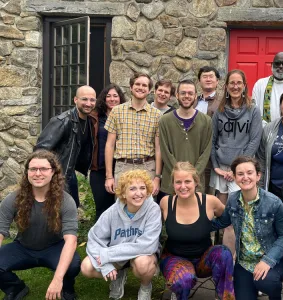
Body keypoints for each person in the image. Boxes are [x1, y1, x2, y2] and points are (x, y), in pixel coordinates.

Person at [0, 150, 80, 300]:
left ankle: (66, 289)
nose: (38, 173)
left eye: (43, 169)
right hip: (23, 247)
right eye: (33, 169)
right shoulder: (13, 199)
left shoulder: (66, 200)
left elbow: (71, 240)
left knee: (73, 264)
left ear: (53, 172)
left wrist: (57, 279)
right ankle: (15, 288)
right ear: (27, 172)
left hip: (54, 247)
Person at [212, 156, 283, 300]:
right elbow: (222, 222)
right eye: (240, 174)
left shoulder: (273, 203)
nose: (245, 177)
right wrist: (195, 220)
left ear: (258, 175)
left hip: (271, 260)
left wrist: (268, 260)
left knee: (266, 281)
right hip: (244, 262)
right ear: (234, 177)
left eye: (249, 173)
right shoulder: (233, 200)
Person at [81, 169, 162, 300]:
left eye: (142, 188)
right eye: (132, 189)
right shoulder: (111, 213)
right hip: (118, 255)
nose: (139, 193)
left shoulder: (153, 210)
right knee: (86, 267)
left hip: (141, 255)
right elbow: (94, 239)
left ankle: (146, 286)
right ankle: (118, 275)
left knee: (143, 264)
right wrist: (105, 265)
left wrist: (107, 255)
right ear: (123, 193)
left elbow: (147, 246)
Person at [159, 162, 234, 300]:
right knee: (184, 279)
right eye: (178, 182)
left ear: (196, 182)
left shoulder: (210, 202)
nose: (183, 186)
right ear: (173, 184)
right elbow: (154, 227)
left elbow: (227, 218)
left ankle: (224, 297)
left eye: (187, 181)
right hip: (174, 258)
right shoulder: (166, 203)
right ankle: (179, 290)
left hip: (203, 260)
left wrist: (207, 226)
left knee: (224, 254)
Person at [211, 69, 263, 253]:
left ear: (244, 85)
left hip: (239, 171)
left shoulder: (253, 111)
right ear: (226, 86)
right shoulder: (220, 111)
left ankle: (237, 259)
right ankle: (224, 257)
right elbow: (212, 139)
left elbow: (254, 140)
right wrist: (216, 167)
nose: (235, 86)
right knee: (222, 215)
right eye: (231, 83)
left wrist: (238, 169)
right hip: (221, 170)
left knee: (237, 216)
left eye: (238, 83)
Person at [35, 85, 97, 207]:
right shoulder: (63, 121)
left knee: (72, 207)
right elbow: (40, 151)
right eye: (84, 99)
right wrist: (48, 174)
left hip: (69, 172)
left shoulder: (90, 122)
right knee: (55, 210)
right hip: (56, 174)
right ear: (75, 100)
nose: (88, 103)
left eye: (92, 100)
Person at [104, 73, 162, 198]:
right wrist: (109, 176)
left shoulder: (157, 115)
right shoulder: (117, 111)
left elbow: (158, 148)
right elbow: (109, 145)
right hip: (123, 166)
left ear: (149, 90)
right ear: (131, 87)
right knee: (122, 206)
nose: (140, 87)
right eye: (137, 84)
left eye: (144, 85)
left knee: (147, 206)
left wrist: (157, 177)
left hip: (148, 167)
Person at [159, 79, 212, 199]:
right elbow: (165, 151)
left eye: (190, 93)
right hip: (170, 183)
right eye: (183, 93)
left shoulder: (206, 121)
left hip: (196, 183)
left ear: (195, 96)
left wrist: (193, 176)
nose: (186, 96)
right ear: (177, 95)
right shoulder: (165, 120)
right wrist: (179, 175)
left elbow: (206, 152)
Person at [90, 83, 126, 220]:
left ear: (120, 98)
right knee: (102, 208)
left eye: (115, 96)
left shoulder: (126, 116)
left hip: (120, 166)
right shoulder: (95, 117)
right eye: (108, 96)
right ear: (104, 99)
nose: (112, 99)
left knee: (120, 206)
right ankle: (100, 239)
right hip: (99, 168)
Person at [252, 52, 283, 125]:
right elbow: (254, 110)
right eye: (277, 63)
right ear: (272, 65)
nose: (281, 66)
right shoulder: (260, 84)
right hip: (264, 129)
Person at [194, 66, 222, 195]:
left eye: (211, 76)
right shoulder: (192, 101)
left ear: (217, 81)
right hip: (193, 152)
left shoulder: (223, 103)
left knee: (209, 191)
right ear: (199, 81)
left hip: (212, 154)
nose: (208, 79)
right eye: (204, 77)